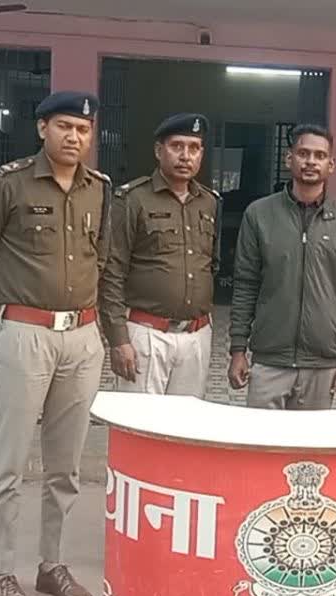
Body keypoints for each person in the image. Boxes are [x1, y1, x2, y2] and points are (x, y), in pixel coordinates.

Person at [0, 90, 111, 596]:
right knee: (8, 463)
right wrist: (3, 318)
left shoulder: (100, 189)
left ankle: (52, 565)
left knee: (65, 466)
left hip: (82, 338)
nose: (75, 136)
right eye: (65, 126)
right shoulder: (7, 184)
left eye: (84, 129)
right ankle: (0, 573)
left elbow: (102, 259)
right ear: (42, 128)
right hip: (25, 333)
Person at [228, 124, 336, 409]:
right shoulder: (259, 214)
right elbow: (245, 285)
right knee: (261, 438)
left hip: (322, 363)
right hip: (269, 360)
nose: (311, 161)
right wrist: (238, 349)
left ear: (331, 165)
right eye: (303, 153)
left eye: (320, 155)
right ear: (289, 158)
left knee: (311, 439)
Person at [100, 113, 219, 396]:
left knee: (185, 420)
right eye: (177, 146)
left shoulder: (209, 202)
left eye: (194, 148)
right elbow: (112, 272)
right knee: (140, 419)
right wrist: (118, 339)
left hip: (196, 336)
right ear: (158, 150)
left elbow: (210, 264)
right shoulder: (133, 199)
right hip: (147, 334)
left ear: (201, 154)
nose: (185, 156)